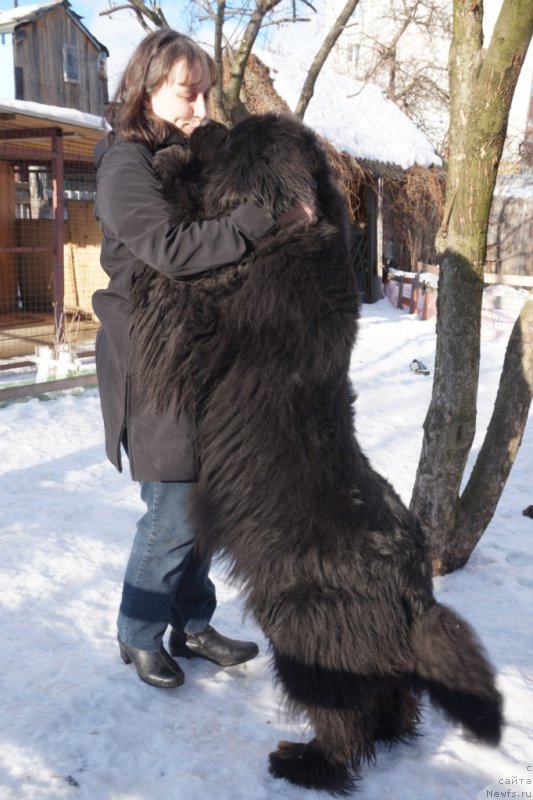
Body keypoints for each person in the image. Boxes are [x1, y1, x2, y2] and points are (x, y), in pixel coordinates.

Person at [92, 29, 314, 688]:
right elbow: (170, 249)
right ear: (147, 91)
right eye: (187, 94)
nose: (201, 108)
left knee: (201, 501)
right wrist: (259, 221)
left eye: (206, 94)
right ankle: (137, 632)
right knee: (173, 507)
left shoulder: (184, 153)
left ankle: (190, 624)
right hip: (150, 366)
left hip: (197, 357)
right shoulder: (124, 165)